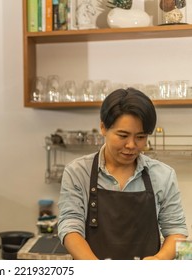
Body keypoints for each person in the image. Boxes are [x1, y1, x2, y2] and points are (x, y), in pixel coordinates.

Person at [57, 88, 188, 260]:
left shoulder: (163, 175)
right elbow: (69, 225)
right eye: (123, 135)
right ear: (103, 127)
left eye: (140, 137)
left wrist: (158, 260)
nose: (131, 145)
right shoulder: (78, 172)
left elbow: (177, 231)